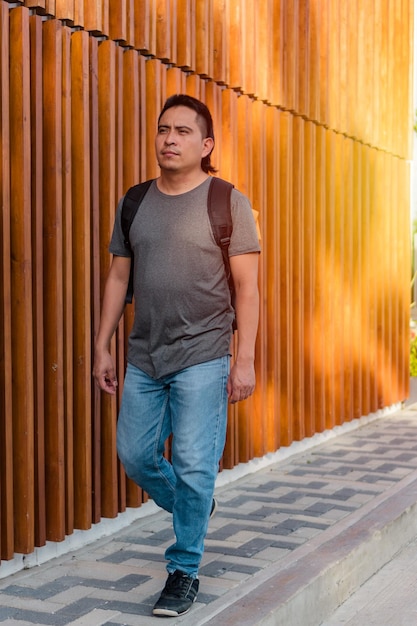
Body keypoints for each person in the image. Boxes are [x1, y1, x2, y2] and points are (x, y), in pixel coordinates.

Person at [93, 94, 260, 617]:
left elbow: (248, 289)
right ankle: (195, 502)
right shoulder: (136, 201)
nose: (169, 138)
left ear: (205, 144)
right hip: (145, 353)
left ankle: (183, 570)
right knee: (136, 456)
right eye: (164, 129)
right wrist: (102, 344)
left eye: (183, 131)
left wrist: (245, 358)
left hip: (205, 353)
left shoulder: (226, 201)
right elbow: (120, 276)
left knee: (194, 465)